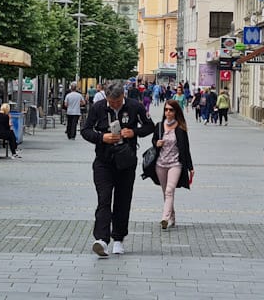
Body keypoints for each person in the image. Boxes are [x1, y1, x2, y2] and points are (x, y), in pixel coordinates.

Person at [81, 80, 154, 257]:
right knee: (104, 199)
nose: (115, 104)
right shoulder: (98, 107)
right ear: (106, 97)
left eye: (118, 101)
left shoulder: (134, 106)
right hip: (103, 161)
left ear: (123, 96)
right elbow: (85, 130)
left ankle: (119, 238)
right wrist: (101, 137)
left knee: (122, 200)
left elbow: (150, 126)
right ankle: (102, 240)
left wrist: (134, 132)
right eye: (112, 102)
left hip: (126, 162)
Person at [144, 99, 194, 229]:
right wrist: (156, 143)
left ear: (176, 111)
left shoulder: (181, 128)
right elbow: (154, 140)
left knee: (169, 191)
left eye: (171, 110)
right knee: (165, 192)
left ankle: (164, 219)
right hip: (160, 164)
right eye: (166, 110)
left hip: (175, 164)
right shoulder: (159, 126)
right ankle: (172, 216)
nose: (168, 112)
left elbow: (186, 148)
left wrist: (190, 167)